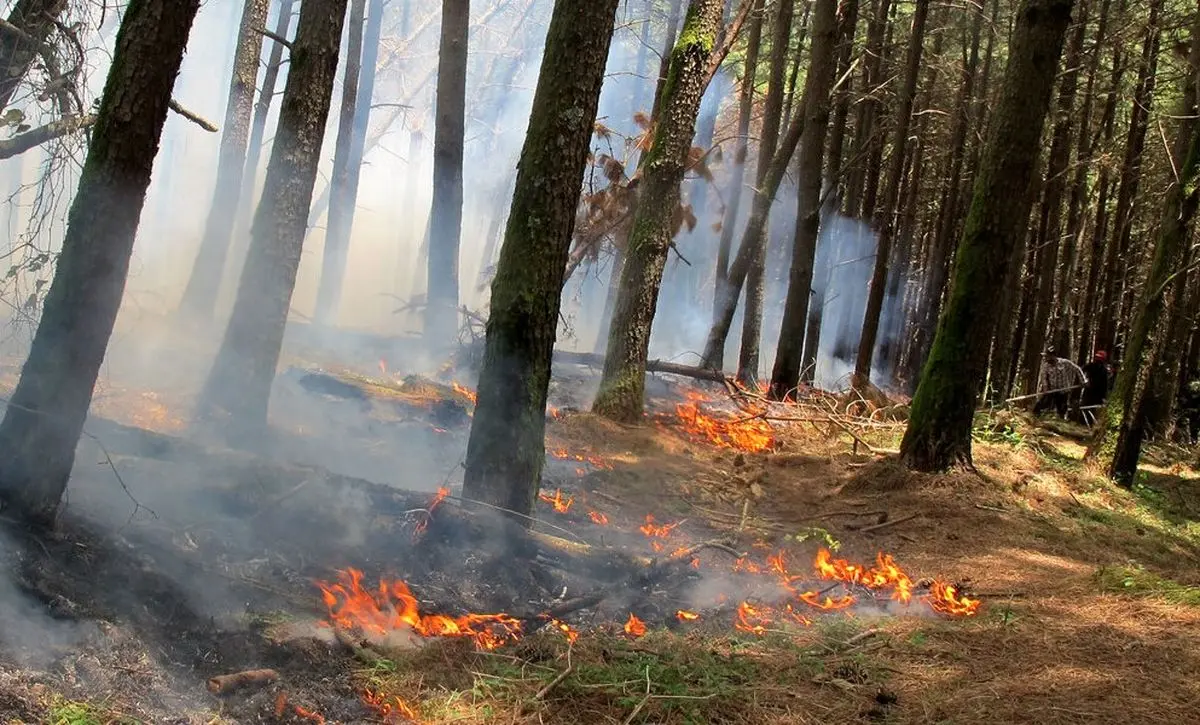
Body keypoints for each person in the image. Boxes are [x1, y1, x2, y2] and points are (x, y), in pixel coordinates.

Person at [1033, 349, 1085, 418]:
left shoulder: (1064, 362)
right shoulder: (1046, 366)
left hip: (1064, 391)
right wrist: (1045, 387)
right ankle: (1035, 417)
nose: (1046, 358)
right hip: (1052, 390)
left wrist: (1083, 381)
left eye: (1047, 356)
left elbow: (1077, 369)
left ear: (1053, 356)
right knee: (1042, 404)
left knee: (1062, 409)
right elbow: (1044, 377)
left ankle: (1061, 421)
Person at [1079, 350, 1110, 425]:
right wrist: (1084, 380)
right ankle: (1081, 423)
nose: (1098, 360)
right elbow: (1080, 370)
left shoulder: (1104, 371)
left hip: (1098, 394)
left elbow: (1105, 384)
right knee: (1084, 407)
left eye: (1100, 358)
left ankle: (1090, 425)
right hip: (1088, 391)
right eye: (1097, 358)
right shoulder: (1091, 365)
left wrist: (1103, 396)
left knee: (1093, 410)